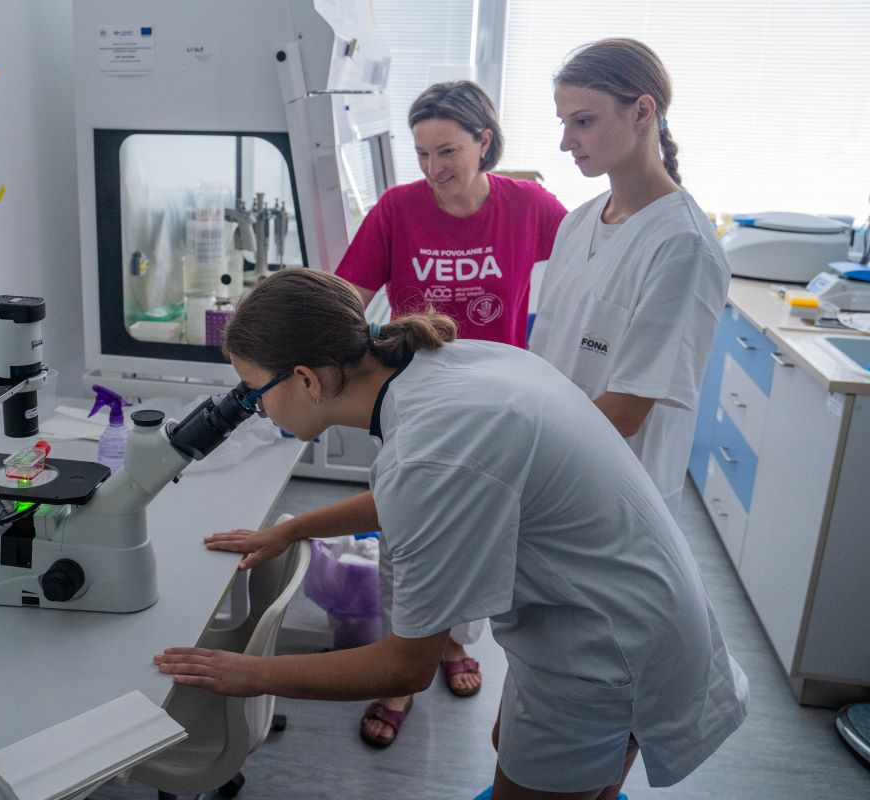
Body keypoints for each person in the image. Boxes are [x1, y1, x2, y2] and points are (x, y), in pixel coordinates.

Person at [155, 269, 748, 799]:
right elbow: (430, 495)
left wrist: (250, 675)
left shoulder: (428, 451)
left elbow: (405, 669)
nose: (257, 411)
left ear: (307, 379)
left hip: (607, 653)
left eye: (254, 392)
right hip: (635, 601)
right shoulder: (452, 364)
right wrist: (294, 531)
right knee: (510, 744)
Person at [334, 79, 567, 747]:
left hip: (499, 403)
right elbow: (346, 296)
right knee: (405, 530)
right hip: (415, 397)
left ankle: (454, 642)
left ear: (484, 142)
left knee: (484, 531)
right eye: (422, 153)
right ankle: (400, 667)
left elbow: (596, 263)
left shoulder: (528, 207)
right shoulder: (397, 209)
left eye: (447, 152)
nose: (433, 169)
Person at [529, 38, 731, 516]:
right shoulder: (578, 223)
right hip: (553, 472)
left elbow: (626, 410)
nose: (566, 142)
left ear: (642, 111)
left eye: (583, 122)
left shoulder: (683, 247)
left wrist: (518, 450)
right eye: (564, 123)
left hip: (616, 496)